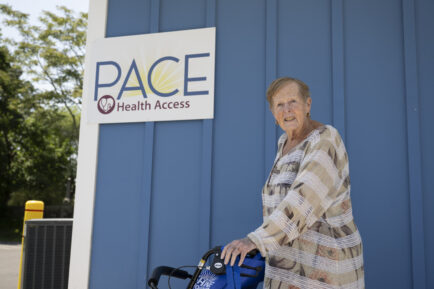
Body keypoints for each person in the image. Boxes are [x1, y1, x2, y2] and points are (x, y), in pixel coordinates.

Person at [221, 77, 364, 289]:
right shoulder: (284, 143)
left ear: (308, 105)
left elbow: (303, 200)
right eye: (280, 104)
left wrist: (255, 241)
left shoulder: (325, 139)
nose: (287, 110)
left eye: (293, 102)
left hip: (324, 272)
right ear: (272, 112)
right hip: (287, 271)